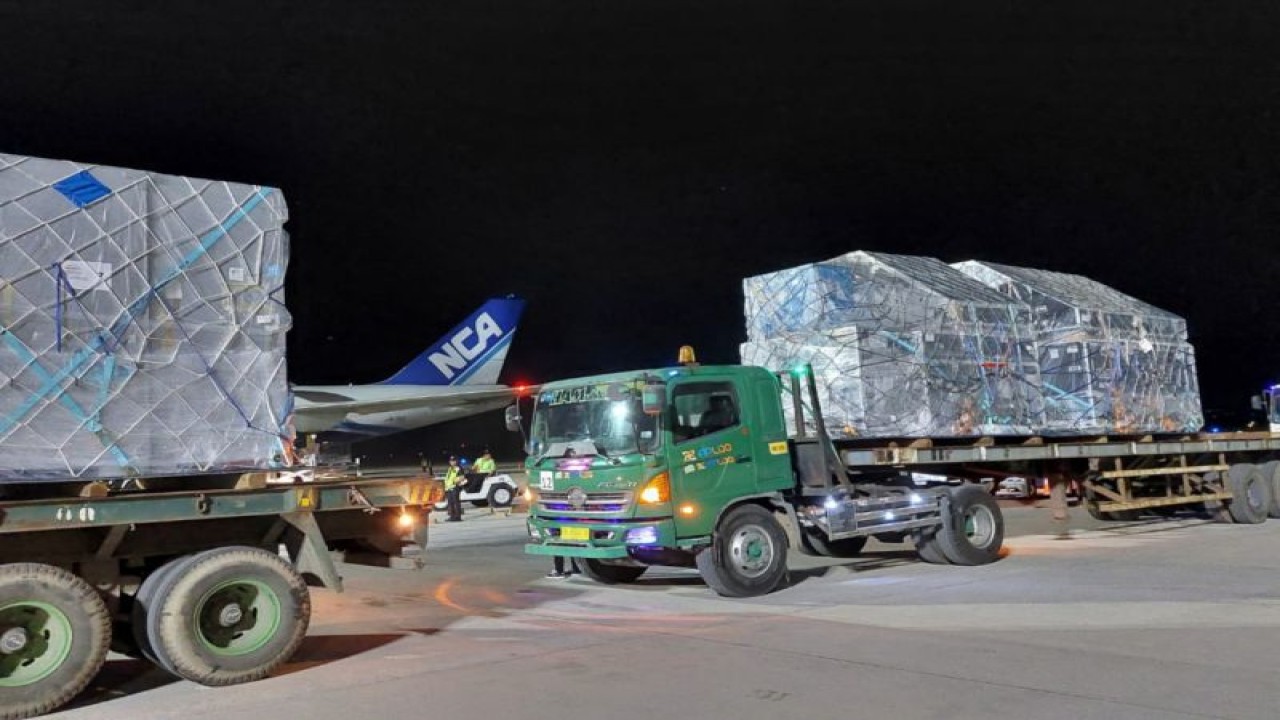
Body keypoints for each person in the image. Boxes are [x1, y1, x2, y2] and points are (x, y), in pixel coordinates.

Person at [443, 455, 466, 522]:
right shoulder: (450, 468)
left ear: (456, 461)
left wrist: (454, 481)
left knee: (456, 502)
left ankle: (458, 517)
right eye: (451, 461)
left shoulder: (459, 468)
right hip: (449, 488)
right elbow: (448, 477)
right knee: (450, 503)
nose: (452, 462)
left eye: (453, 461)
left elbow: (462, 477)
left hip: (455, 487)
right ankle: (452, 516)